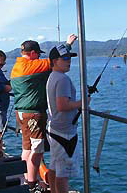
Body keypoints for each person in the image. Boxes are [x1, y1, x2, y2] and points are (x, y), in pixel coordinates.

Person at [10, 34, 77, 193]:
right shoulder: (31, 66)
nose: (39, 56)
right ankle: (32, 185)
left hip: (21, 113)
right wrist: (68, 44)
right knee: (37, 149)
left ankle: (27, 178)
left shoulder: (17, 67)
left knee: (27, 148)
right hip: (33, 114)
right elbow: (53, 60)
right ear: (32, 53)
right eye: (38, 54)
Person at [46, 43, 90, 193]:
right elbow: (62, 105)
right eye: (64, 58)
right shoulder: (63, 79)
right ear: (54, 61)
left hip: (55, 129)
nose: (68, 60)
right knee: (63, 173)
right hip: (65, 133)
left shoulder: (53, 76)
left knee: (54, 166)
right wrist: (83, 102)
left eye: (69, 57)